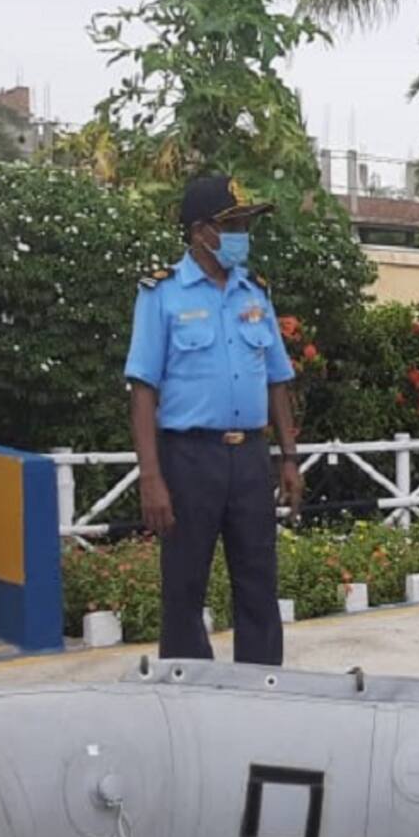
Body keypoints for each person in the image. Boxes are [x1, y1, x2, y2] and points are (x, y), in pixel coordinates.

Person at [124, 174, 303, 665]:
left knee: (259, 584)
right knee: (184, 588)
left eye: (245, 223)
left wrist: (289, 458)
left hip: (249, 458)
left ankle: (263, 691)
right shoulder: (162, 295)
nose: (244, 233)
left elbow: (277, 380)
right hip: (189, 460)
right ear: (201, 231)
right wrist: (152, 476)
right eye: (235, 224)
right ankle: (187, 695)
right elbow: (143, 389)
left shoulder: (254, 293)